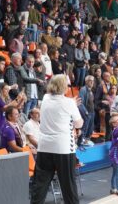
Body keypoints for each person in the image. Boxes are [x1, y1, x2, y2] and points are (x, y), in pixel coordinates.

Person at [31, 74, 83, 204]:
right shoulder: (69, 103)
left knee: (40, 185)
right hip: (63, 148)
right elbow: (79, 124)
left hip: (44, 147)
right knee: (68, 186)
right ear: (64, 87)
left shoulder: (46, 98)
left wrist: (71, 104)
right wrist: (74, 106)